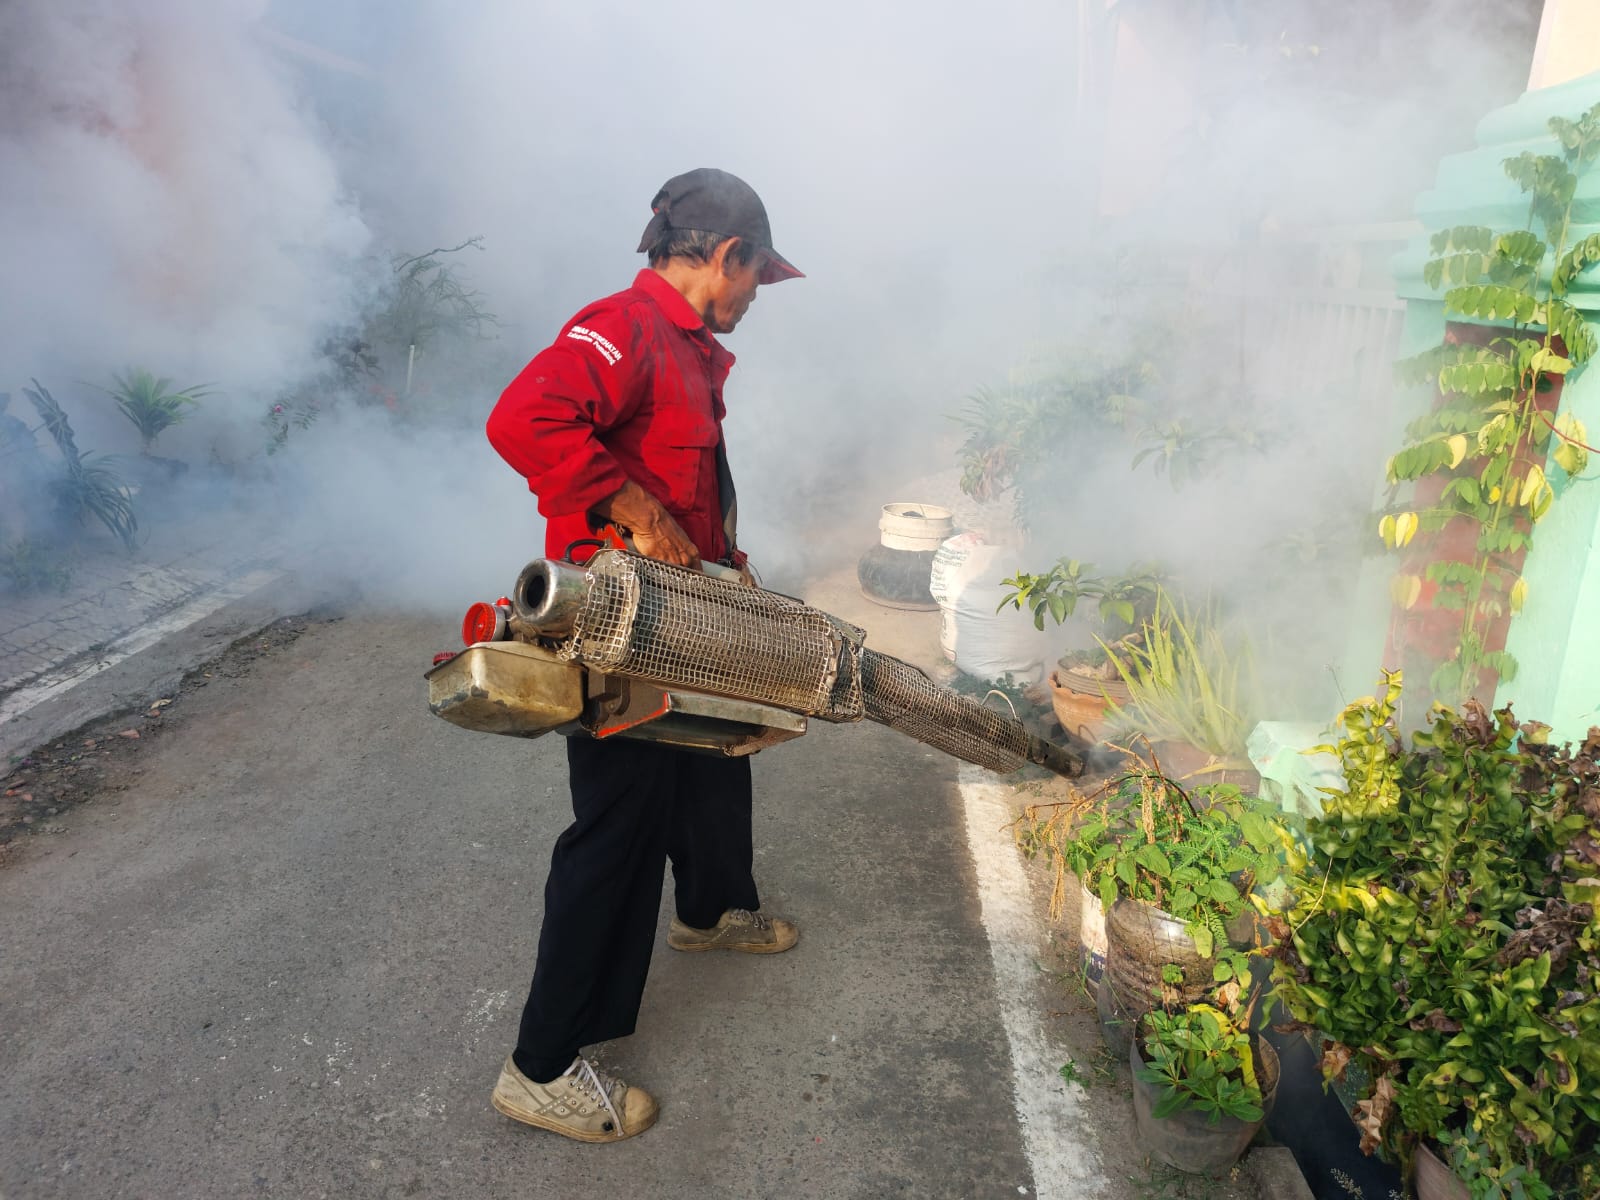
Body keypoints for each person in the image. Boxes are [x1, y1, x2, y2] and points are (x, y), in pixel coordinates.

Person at [482, 168, 804, 1143]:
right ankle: (540, 1067)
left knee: (716, 757)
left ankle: (711, 910)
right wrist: (637, 511)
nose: (756, 296)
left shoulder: (691, 348)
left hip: (686, 612)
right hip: (620, 626)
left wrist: (728, 568)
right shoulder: (622, 325)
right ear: (725, 257)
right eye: (756, 277)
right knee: (615, 834)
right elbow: (520, 419)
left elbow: (692, 484)